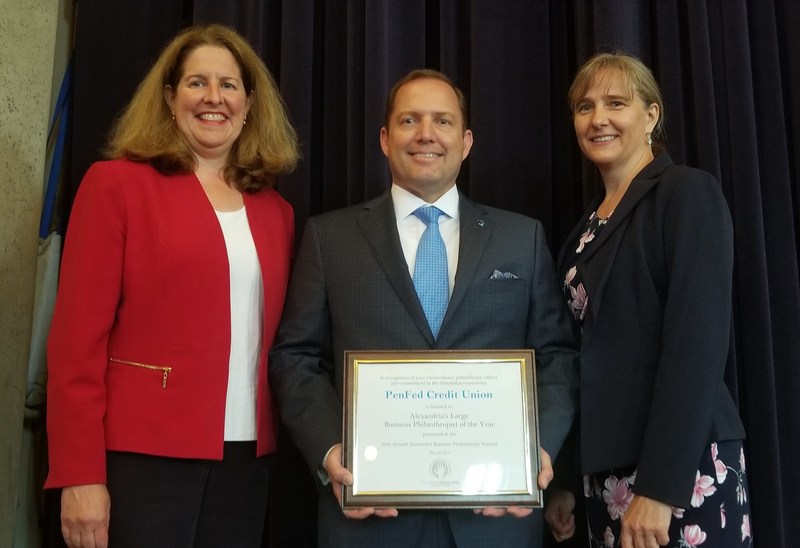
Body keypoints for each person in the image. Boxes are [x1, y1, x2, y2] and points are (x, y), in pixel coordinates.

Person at [268, 68, 579, 548]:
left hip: (493, 519)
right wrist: (331, 448)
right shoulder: (330, 238)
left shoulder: (523, 238)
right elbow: (296, 357)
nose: (426, 134)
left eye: (443, 121)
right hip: (368, 519)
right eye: (410, 120)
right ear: (385, 139)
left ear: (467, 140)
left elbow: (558, 356)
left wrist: (536, 448)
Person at [45, 24, 299, 548]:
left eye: (228, 85)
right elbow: (75, 347)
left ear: (250, 103)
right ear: (169, 97)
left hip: (246, 458)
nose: (213, 98)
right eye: (196, 83)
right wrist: (79, 473)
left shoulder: (276, 212)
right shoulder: (116, 186)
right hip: (141, 458)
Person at [544, 52, 753, 547]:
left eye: (616, 103)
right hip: (608, 476)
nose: (599, 119)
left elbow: (696, 346)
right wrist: (570, 480)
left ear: (651, 115)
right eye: (584, 107)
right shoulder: (581, 234)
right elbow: (581, 363)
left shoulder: (686, 194)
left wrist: (660, 487)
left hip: (683, 471)